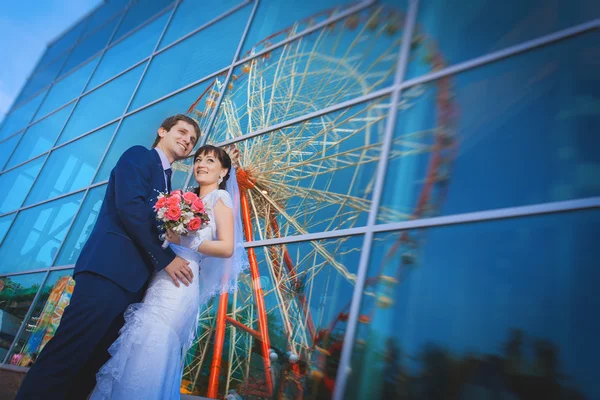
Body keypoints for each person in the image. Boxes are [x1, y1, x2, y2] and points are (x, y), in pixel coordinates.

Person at [15, 114, 200, 400]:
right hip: (108, 272)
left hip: (132, 284)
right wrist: (166, 260)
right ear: (162, 131)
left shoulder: (168, 182)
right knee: (69, 352)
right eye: (182, 131)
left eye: (193, 139)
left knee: (93, 364)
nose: (188, 140)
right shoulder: (139, 156)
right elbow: (129, 207)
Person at [90, 145, 248, 399]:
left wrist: (189, 242)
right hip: (161, 276)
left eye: (209, 160)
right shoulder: (186, 199)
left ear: (224, 171)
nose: (201, 164)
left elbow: (227, 247)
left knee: (156, 337)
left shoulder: (221, 198)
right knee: (140, 337)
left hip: (182, 280)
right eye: (198, 159)